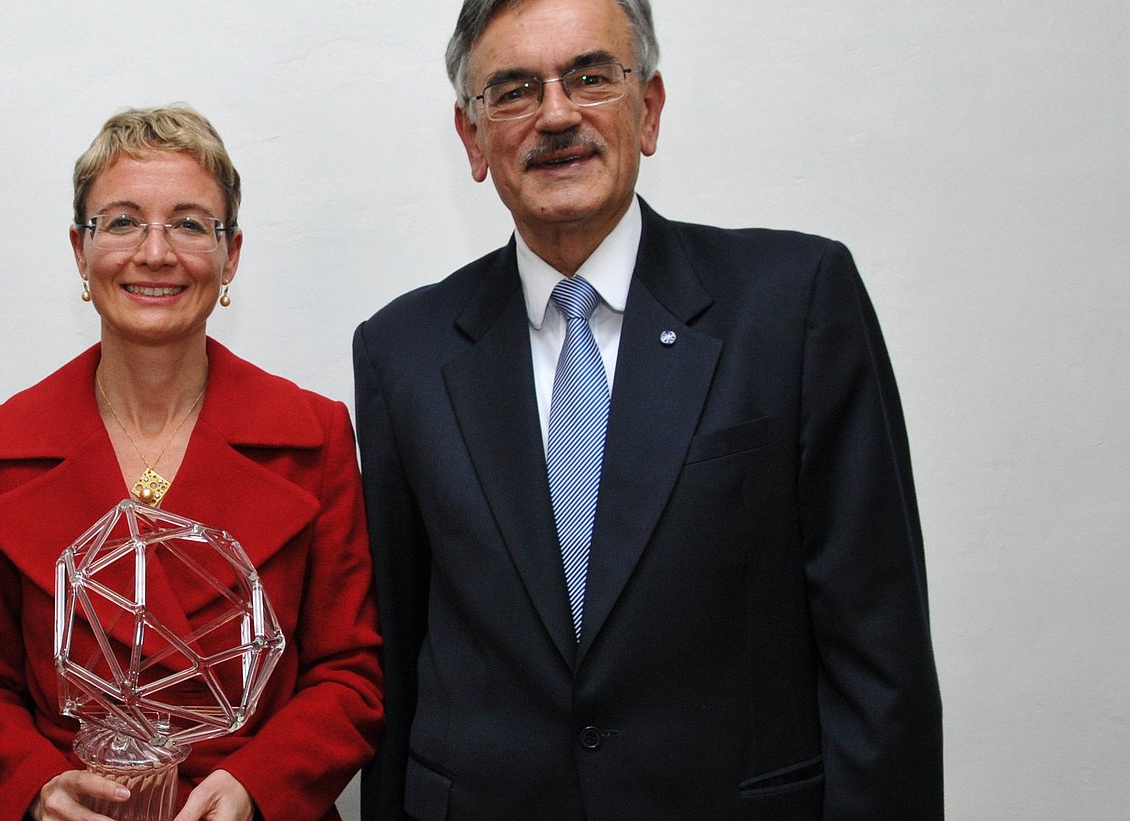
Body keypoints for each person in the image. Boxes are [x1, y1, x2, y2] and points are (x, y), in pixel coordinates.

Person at [353, 1, 943, 818]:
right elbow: (397, 664)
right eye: (515, 90)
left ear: (650, 108)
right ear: (473, 137)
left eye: (591, 76)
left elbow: (881, 659)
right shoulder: (401, 352)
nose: (557, 114)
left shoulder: (794, 305)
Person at [0, 105, 383, 821]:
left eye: (188, 223)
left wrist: (255, 785)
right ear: (79, 252)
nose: (155, 251)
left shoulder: (316, 436)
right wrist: (37, 785)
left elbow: (349, 674)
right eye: (120, 222)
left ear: (231, 253)